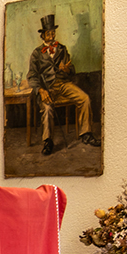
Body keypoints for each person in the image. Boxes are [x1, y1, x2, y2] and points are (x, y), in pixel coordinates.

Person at [26, 13, 96, 155]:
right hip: (47, 88)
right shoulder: (36, 54)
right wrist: (40, 90)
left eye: (53, 33)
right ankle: (48, 141)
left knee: (85, 98)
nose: (51, 37)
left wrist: (67, 69)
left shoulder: (62, 49)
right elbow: (32, 76)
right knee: (46, 108)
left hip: (63, 84)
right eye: (48, 34)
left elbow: (72, 71)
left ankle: (86, 134)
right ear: (43, 36)